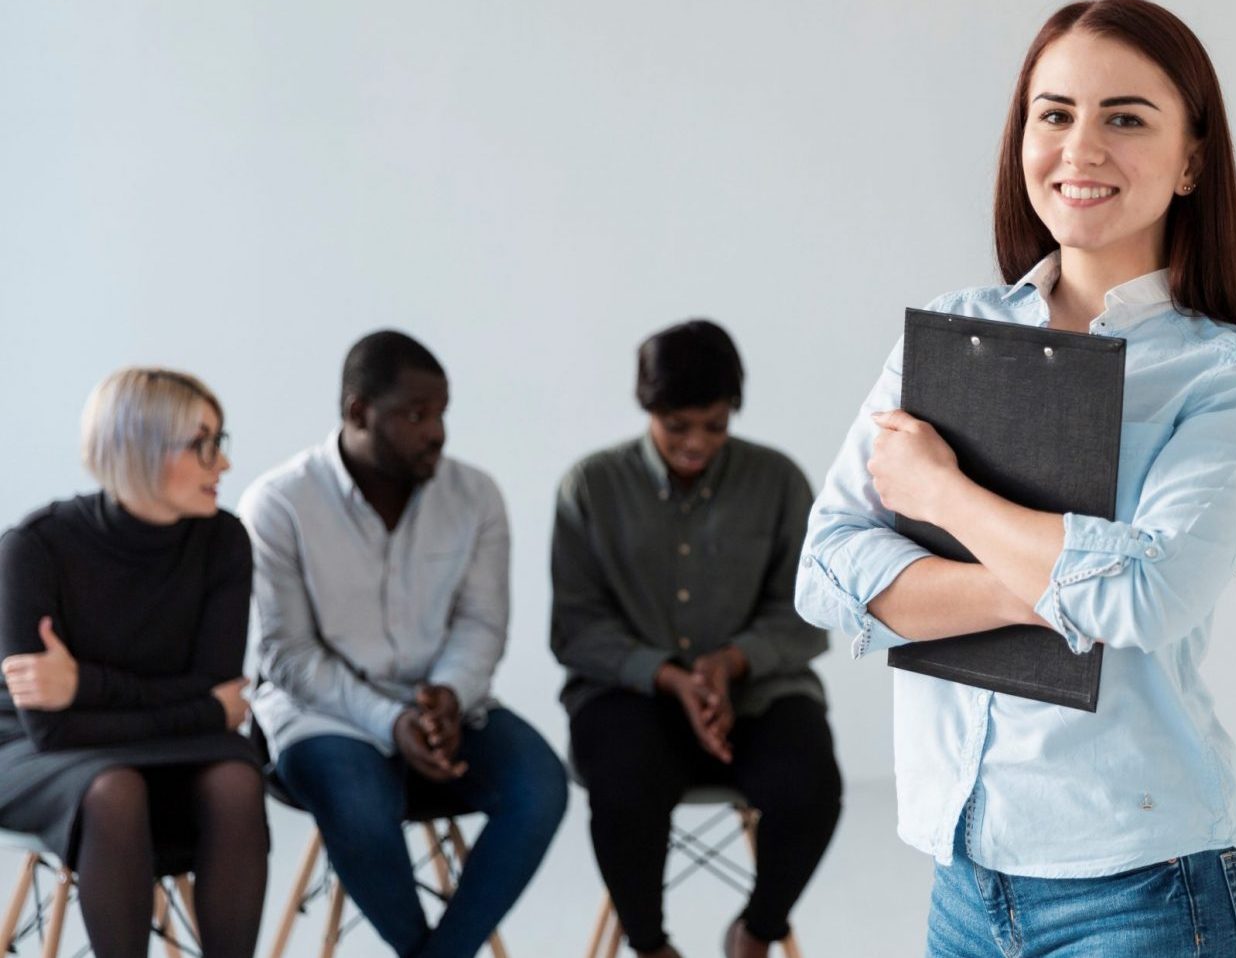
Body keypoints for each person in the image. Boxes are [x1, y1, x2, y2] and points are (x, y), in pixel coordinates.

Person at [796, 0, 1236, 957]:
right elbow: (826, 571)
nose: (1081, 146)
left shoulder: (1229, 373)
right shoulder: (949, 334)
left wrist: (941, 495)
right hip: (964, 887)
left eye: (1126, 118)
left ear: (1192, 159)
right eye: (1054, 113)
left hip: (1147, 891)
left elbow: (1148, 598)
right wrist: (1062, 584)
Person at [244, 330, 567, 958]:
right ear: (358, 412)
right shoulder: (279, 503)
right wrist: (392, 724)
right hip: (322, 714)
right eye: (416, 415)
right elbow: (287, 655)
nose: (438, 431)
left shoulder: (476, 496)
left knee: (541, 786)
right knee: (361, 805)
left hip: (449, 708)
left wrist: (448, 694)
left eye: (442, 412)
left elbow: (482, 624)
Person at [553, 320, 841, 958]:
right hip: (629, 698)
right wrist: (669, 675)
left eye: (715, 425)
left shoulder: (778, 481)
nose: (696, 445)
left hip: (758, 695)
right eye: (677, 426)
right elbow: (576, 628)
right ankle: (652, 947)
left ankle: (757, 934)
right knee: (623, 786)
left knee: (812, 785)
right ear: (647, 408)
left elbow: (808, 610)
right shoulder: (590, 487)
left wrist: (729, 664)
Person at [0, 368, 267, 958]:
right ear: (138, 447)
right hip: (31, 748)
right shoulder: (34, 548)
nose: (221, 464)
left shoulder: (224, 542)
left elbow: (218, 704)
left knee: (235, 779)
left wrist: (83, 687)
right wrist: (195, 708)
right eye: (203, 445)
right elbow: (52, 727)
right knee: (113, 790)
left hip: (142, 738)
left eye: (220, 443)